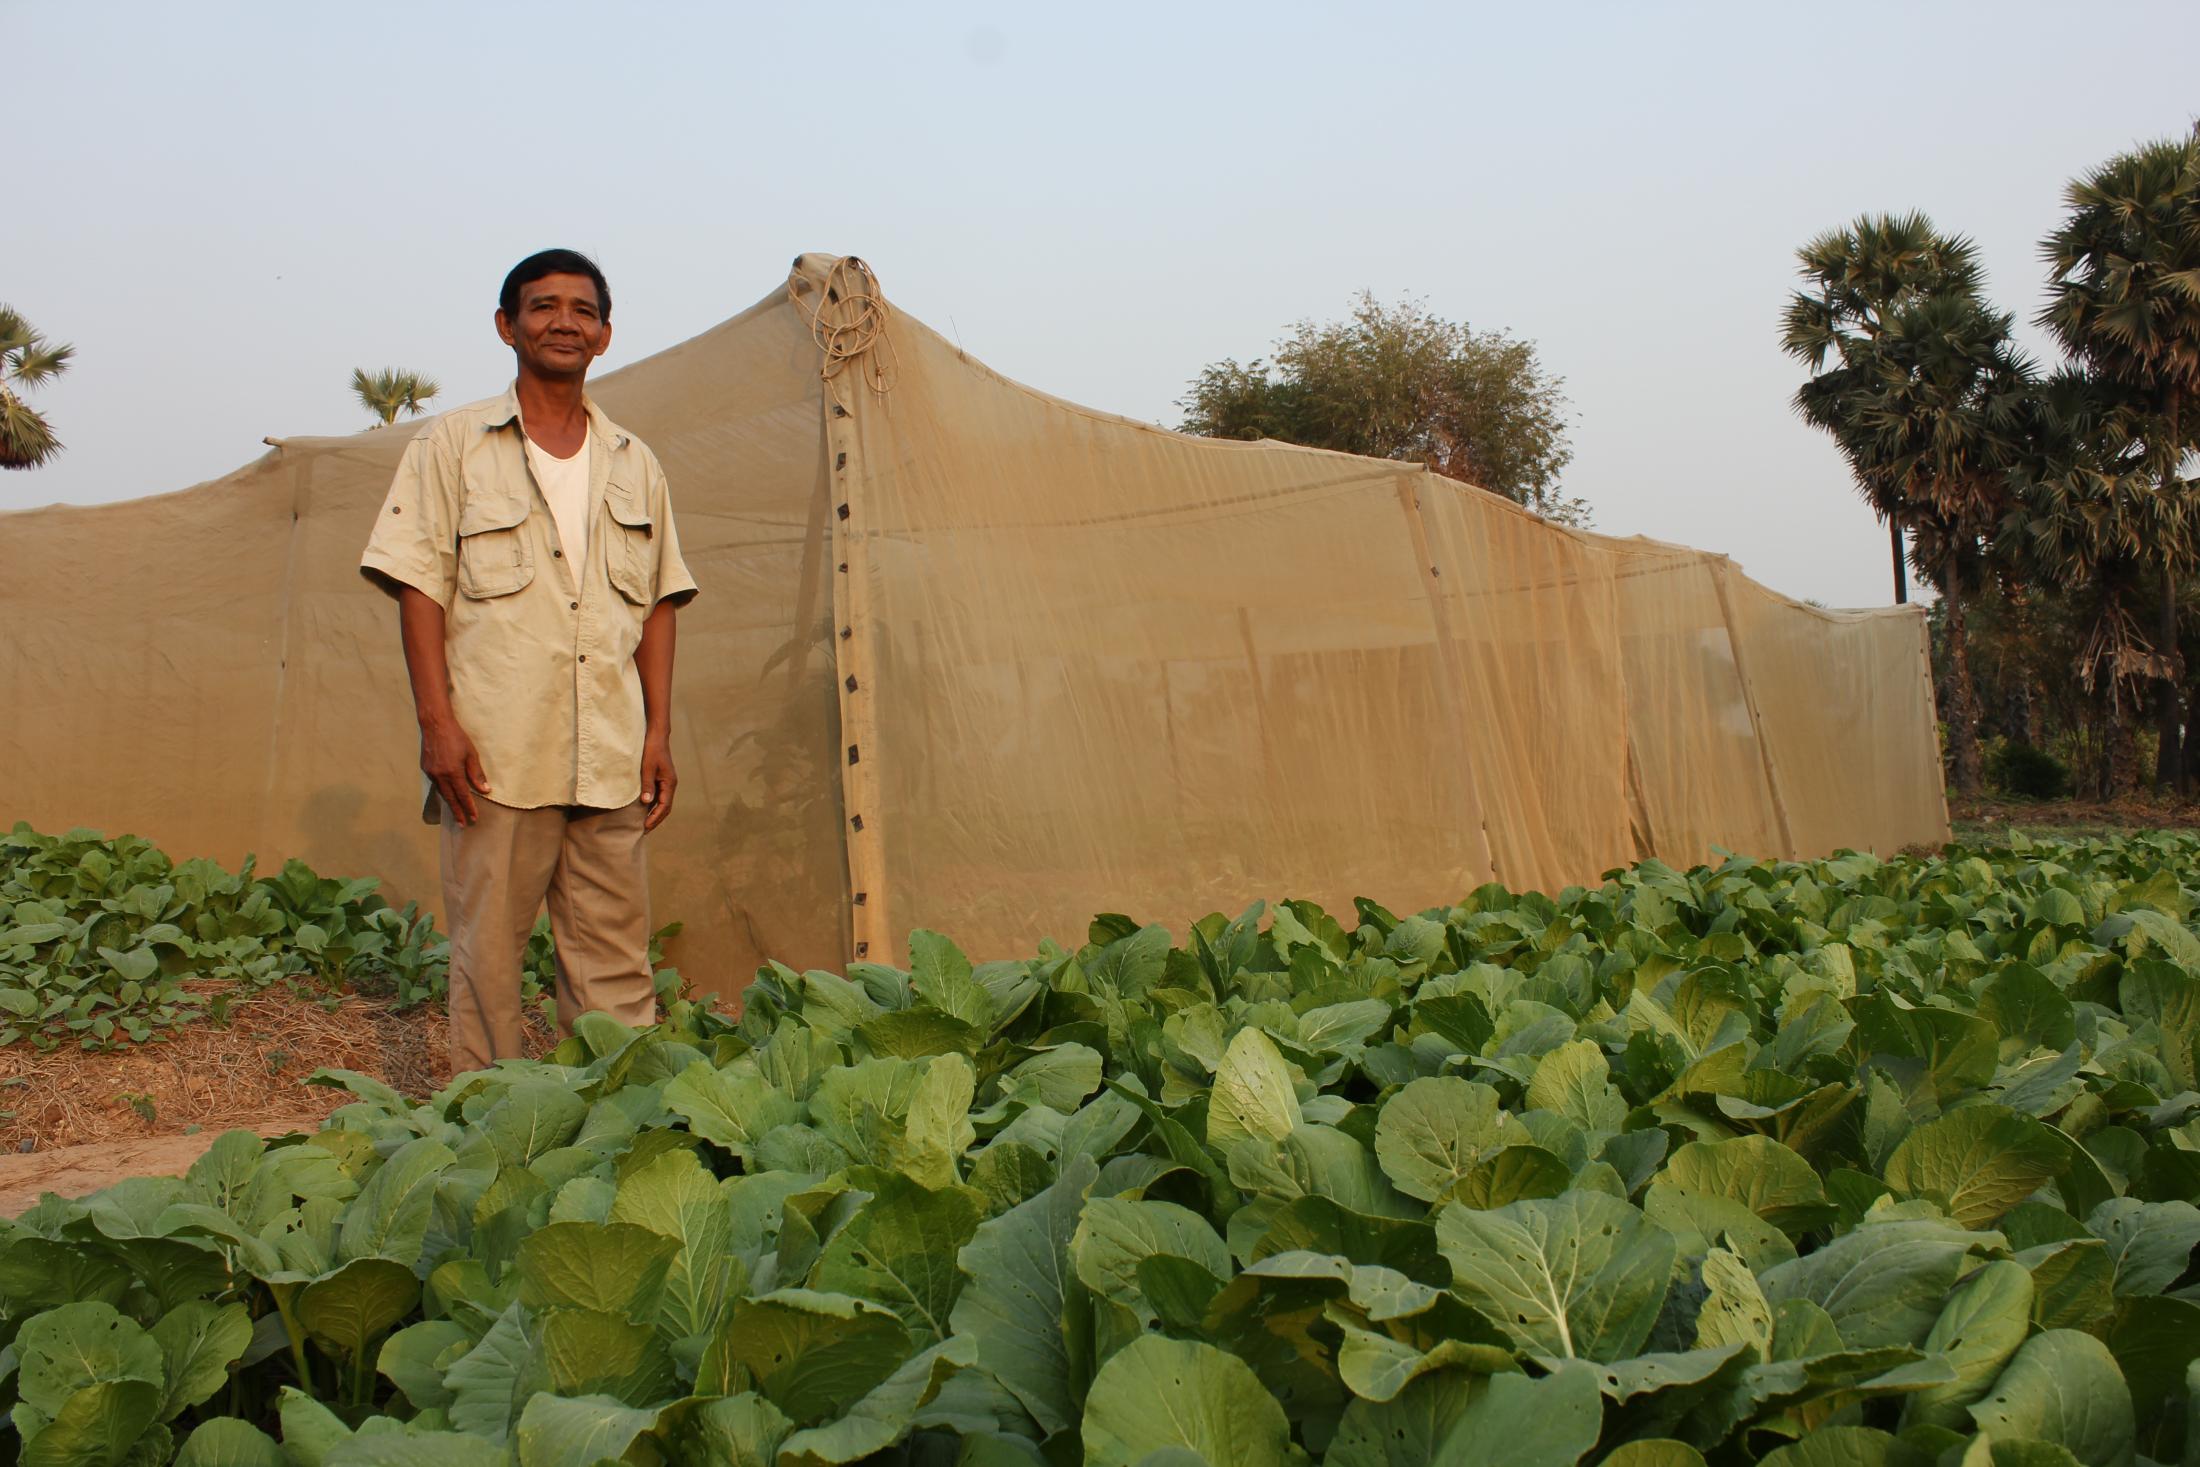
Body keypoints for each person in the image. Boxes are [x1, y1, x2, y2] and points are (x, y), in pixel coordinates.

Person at [359, 248, 698, 1074]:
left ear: (605, 335)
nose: (563, 322)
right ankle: (485, 1139)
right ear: (507, 326)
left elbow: (657, 603)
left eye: (581, 310)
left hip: (611, 757)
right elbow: (419, 586)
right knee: (489, 965)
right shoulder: (455, 446)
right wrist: (436, 723)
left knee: (616, 967)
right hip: (496, 757)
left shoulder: (633, 462)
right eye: (543, 307)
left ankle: (617, 1132)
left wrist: (656, 734)